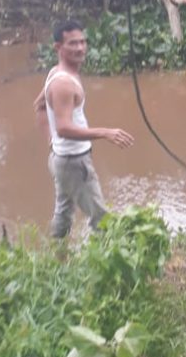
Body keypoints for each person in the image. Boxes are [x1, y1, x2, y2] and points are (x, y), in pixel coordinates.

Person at [34, 19, 134, 239]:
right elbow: (64, 128)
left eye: (82, 42)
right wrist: (106, 132)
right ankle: (111, 256)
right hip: (74, 162)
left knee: (63, 210)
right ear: (58, 47)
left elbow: (40, 106)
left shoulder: (56, 73)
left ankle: (57, 252)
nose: (80, 48)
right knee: (101, 219)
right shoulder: (63, 83)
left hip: (61, 158)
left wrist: (51, 141)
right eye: (72, 43)